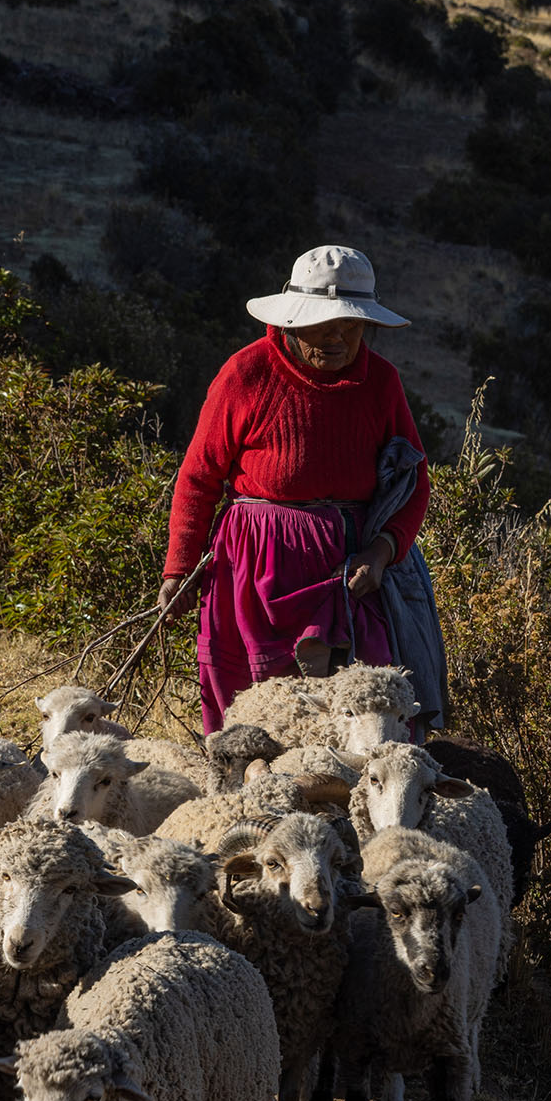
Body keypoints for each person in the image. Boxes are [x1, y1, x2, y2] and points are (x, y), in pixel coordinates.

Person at [159, 245, 429, 734]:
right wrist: (180, 568)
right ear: (293, 320)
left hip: (349, 570)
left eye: (351, 325)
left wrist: (382, 551)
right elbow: (199, 477)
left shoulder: (381, 382)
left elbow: (414, 481)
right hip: (255, 567)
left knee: (364, 708)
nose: (337, 338)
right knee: (254, 712)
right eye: (323, 324)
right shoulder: (246, 373)